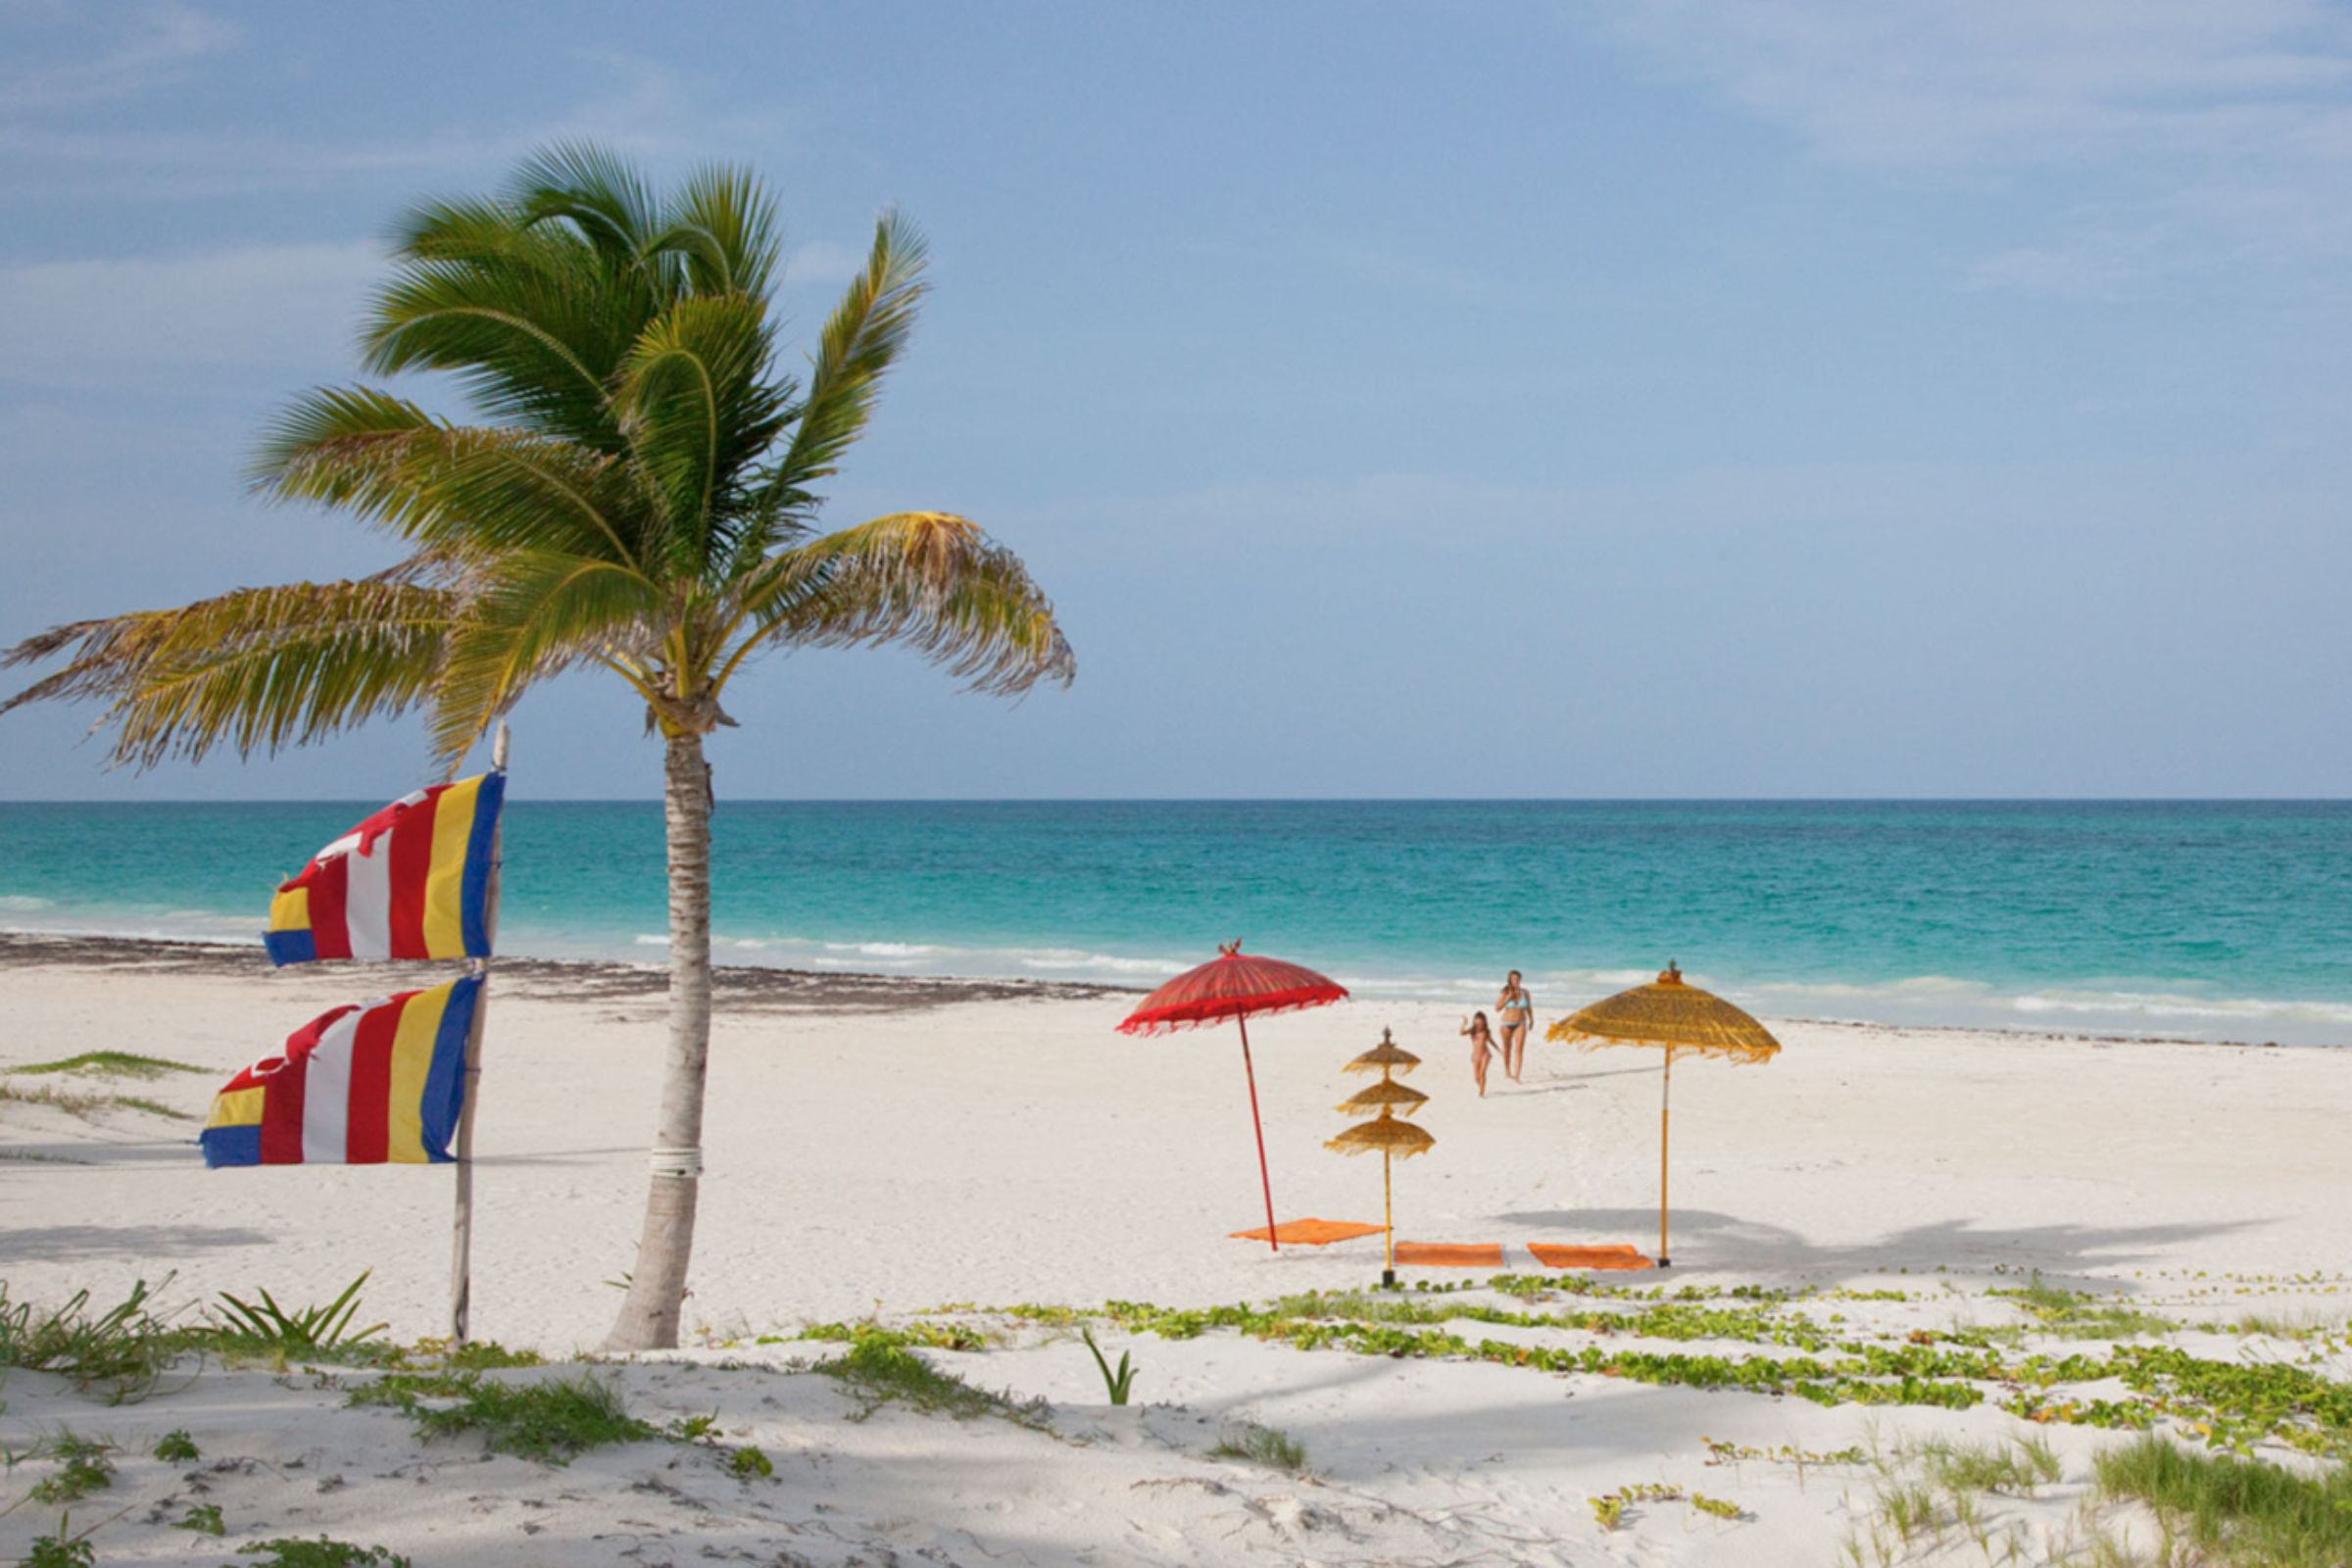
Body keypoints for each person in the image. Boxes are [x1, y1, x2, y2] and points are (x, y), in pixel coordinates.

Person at [1494, 970, 1534, 1082]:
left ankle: (1517, 1076)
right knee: (1507, 1049)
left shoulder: (1525, 992)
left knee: (1519, 1049)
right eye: (1513, 979)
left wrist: (1531, 1019)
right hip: (1506, 1024)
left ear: (1520, 979)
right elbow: (1497, 1008)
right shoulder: (1505, 992)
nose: (1515, 981)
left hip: (1521, 1022)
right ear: (1510, 980)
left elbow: (1529, 1007)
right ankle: (1507, 1072)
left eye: (1517, 979)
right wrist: (1508, 998)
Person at [1461, 1010, 1496, 1098]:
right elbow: (1461, 1033)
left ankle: (1481, 1092)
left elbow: (1490, 1041)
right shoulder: (1472, 1031)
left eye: (1481, 1023)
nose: (1479, 1025)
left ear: (1484, 1023)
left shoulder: (1486, 1031)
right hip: (1475, 1055)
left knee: (1482, 1073)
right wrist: (1464, 1023)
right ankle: (1481, 1086)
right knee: (1476, 1077)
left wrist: (1498, 1049)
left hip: (1485, 1054)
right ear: (1474, 1022)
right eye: (1477, 1023)